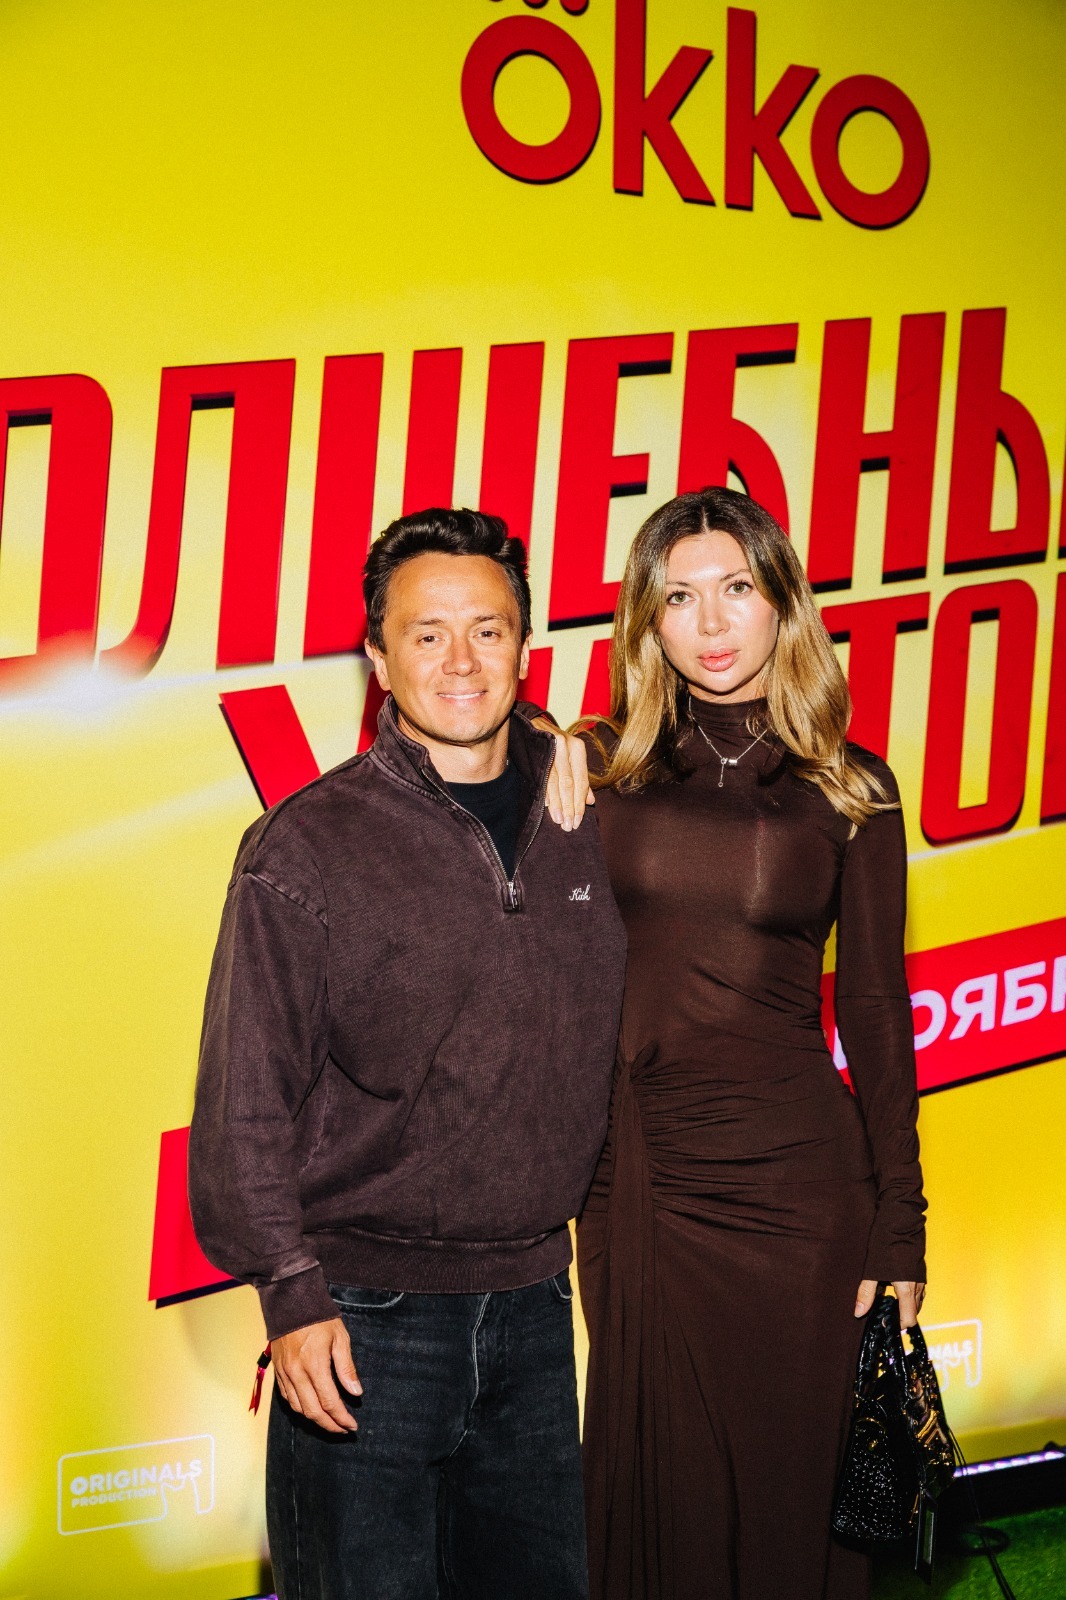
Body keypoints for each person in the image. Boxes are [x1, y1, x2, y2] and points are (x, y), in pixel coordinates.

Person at [188, 507, 626, 1600]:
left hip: (537, 1303)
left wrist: (578, 743)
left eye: (488, 630)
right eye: (426, 634)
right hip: (364, 1321)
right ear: (377, 657)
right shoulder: (305, 846)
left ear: (526, 647)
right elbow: (245, 1098)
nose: (460, 660)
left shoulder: (595, 814)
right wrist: (291, 1295)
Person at [545, 486, 926, 1600]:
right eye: (679, 598)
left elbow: (875, 1013)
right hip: (638, 1177)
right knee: (657, 1485)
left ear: (782, 603)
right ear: (646, 621)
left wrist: (900, 1219)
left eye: (736, 589)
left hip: (799, 1190)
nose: (710, 623)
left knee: (789, 1487)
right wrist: (536, 739)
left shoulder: (849, 787)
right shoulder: (595, 765)